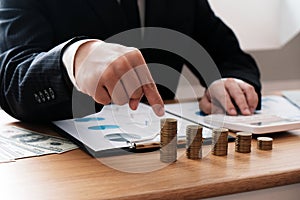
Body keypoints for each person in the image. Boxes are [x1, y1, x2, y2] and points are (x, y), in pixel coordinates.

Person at [0, 0, 261, 122]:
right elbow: (12, 79)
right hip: (69, 172)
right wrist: (73, 58)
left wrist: (231, 83)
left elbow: (232, 57)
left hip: (170, 162)